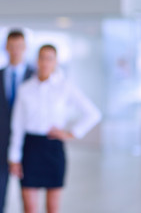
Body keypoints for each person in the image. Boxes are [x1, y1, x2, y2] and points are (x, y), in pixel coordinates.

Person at [8, 44, 101, 213]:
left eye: (49, 58)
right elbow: (18, 125)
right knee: (29, 208)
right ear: (37, 60)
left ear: (56, 61)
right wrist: (14, 157)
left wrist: (71, 133)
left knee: (53, 208)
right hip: (30, 148)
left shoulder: (65, 87)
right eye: (42, 58)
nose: (45, 62)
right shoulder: (25, 89)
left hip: (53, 148)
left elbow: (93, 113)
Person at [0, 30, 33, 213]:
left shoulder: (35, 77)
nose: (15, 51)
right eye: (11, 46)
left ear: (25, 48)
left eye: (19, 46)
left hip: (28, 147)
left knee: (28, 200)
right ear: (6, 47)